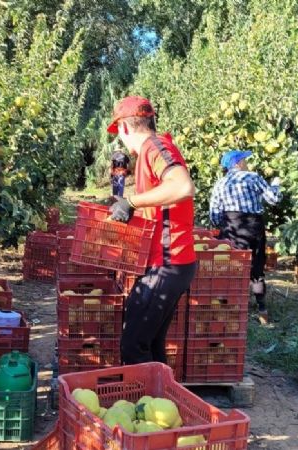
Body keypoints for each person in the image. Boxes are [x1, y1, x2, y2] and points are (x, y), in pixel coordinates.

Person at [107, 96, 197, 365]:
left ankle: (146, 406)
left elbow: (182, 186)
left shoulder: (155, 147)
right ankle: (162, 401)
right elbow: (160, 205)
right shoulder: (150, 151)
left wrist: (131, 202)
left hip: (168, 262)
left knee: (133, 345)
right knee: (151, 342)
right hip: (172, 262)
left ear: (123, 127)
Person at [209, 150, 281, 323]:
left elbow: (214, 216)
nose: (247, 163)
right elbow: (273, 199)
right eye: (244, 160)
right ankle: (262, 310)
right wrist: (276, 185)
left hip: (232, 228)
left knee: (231, 267)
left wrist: (226, 225)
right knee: (256, 266)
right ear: (237, 163)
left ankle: (230, 309)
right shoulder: (252, 177)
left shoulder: (220, 183)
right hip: (253, 226)